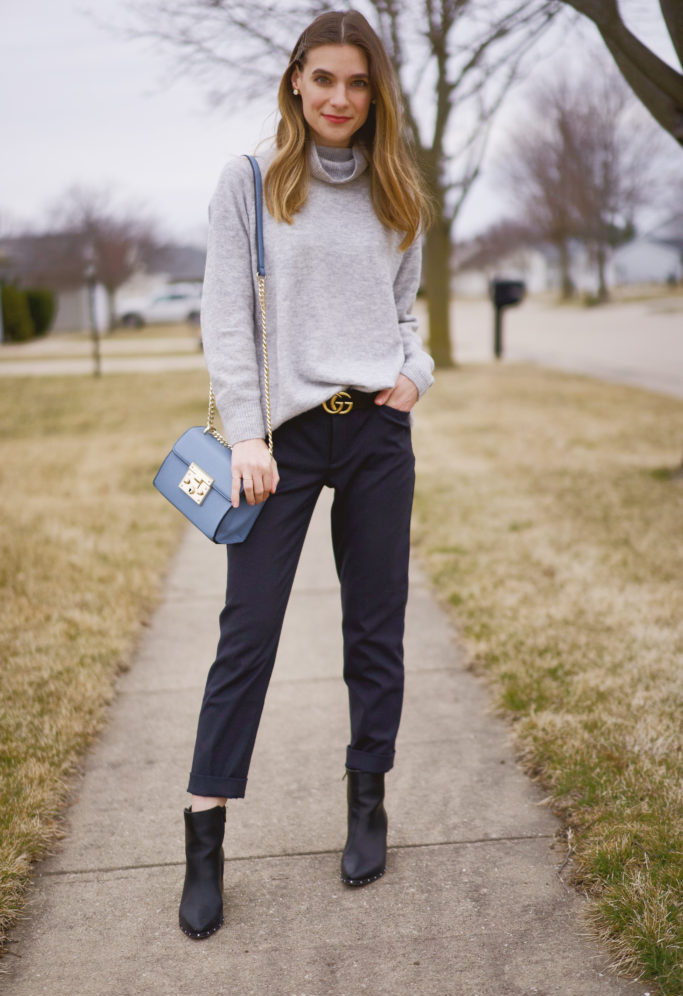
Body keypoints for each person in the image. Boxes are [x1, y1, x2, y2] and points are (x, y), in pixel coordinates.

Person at [179, 8, 434, 940]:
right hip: (276, 445)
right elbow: (223, 319)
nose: (339, 97)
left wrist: (414, 375)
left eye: (357, 82)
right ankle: (203, 836)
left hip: (374, 434)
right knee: (245, 637)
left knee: (375, 629)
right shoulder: (248, 181)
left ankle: (367, 805)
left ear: (376, 94)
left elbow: (404, 312)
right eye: (322, 78)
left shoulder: (397, 188)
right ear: (295, 81)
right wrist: (246, 433)